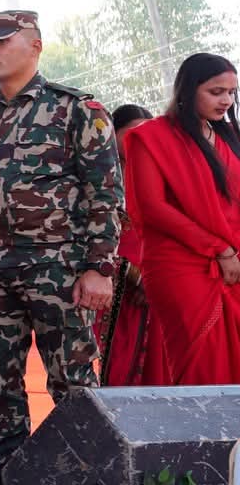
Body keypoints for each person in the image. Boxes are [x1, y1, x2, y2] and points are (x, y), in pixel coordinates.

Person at [0, 10, 120, 485]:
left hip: (58, 268)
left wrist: (100, 267)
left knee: (73, 382)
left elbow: (105, 193)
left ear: (35, 46)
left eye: (0, 41)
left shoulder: (77, 110)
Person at [118, 54, 240, 387]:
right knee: (202, 364)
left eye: (231, 92)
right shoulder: (149, 137)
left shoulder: (228, 136)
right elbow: (152, 207)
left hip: (234, 261)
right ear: (187, 89)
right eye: (216, 92)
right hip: (181, 265)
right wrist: (218, 249)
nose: (227, 101)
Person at [102, 103, 152, 385]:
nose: (139, 139)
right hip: (109, 285)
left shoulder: (161, 175)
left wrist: (152, 279)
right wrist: (133, 274)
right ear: (113, 133)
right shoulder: (99, 179)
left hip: (156, 283)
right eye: (131, 132)